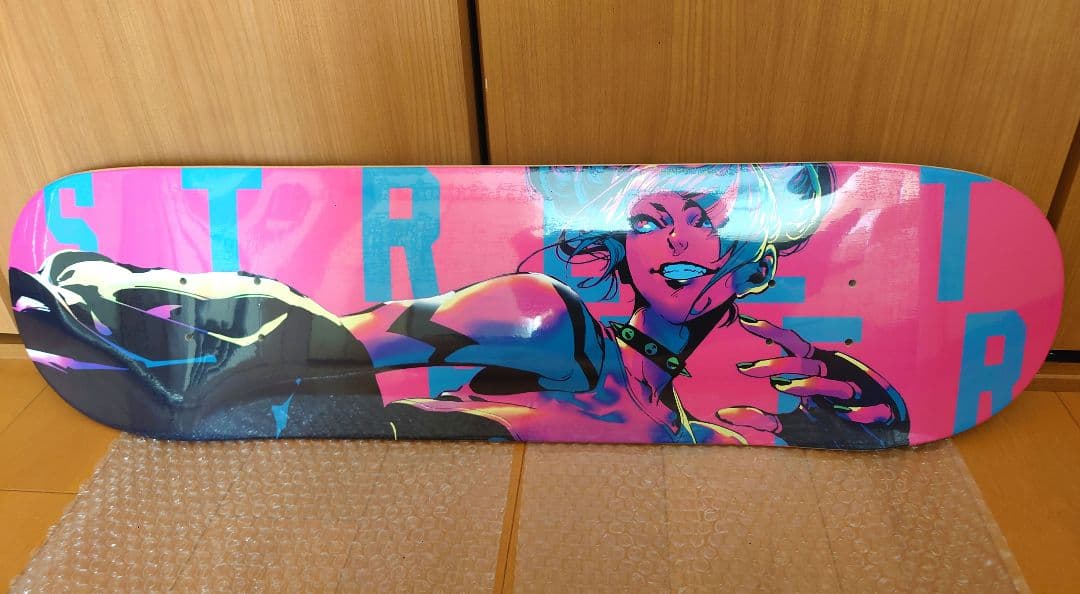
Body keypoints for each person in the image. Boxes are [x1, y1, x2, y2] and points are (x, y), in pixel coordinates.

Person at [11, 164, 908, 448]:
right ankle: (229, 346)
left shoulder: (784, 369)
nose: (676, 237)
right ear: (622, 248)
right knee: (540, 315)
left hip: (446, 421)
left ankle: (247, 353)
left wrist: (866, 416)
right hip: (393, 388)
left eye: (706, 218)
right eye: (649, 220)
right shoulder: (559, 321)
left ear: (756, 247)